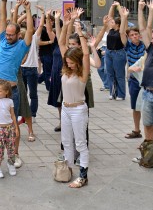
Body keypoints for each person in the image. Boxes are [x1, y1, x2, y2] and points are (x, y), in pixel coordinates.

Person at [0, 0, 34, 168]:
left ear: (17, 35)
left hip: (11, 92)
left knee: (12, 125)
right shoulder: (2, 39)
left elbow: (30, 29)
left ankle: (15, 155)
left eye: (10, 35)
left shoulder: (23, 45)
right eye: (6, 34)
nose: (7, 37)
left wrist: (28, 10)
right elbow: (3, 15)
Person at [59, 21, 90, 188]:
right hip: (65, 108)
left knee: (80, 143)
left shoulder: (83, 73)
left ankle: (83, 176)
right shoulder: (67, 69)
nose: (68, 64)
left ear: (77, 62)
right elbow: (61, 43)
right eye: (67, 61)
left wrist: (80, 32)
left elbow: (85, 55)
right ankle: (68, 169)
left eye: (71, 62)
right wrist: (67, 23)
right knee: (66, 141)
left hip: (78, 109)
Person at [0, 65, 19, 178]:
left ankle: (11, 164)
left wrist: (15, 128)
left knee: (11, 148)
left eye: (0, 91)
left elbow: (13, 115)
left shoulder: (10, 101)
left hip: (9, 128)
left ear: (6, 92)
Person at [123, 1, 146, 139]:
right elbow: (122, 32)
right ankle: (137, 130)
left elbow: (145, 28)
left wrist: (140, 9)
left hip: (146, 79)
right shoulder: (128, 46)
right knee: (135, 106)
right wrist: (124, 16)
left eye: (136, 34)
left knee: (148, 105)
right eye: (131, 35)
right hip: (133, 79)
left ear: (140, 35)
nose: (134, 37)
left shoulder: (146, 46)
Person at [137, 0, 153, 147]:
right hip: (148, 93)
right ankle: (149, 155)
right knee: (148, 125)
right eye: (152, 39)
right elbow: (143, 29)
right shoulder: (151, 50)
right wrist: (141, 9)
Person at [104, 1, 128, 100]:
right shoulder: (110, 30)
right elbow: (109, 17)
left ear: (118, 24)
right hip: (109, 52)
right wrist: (112, 6)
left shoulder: (122, 31)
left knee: (119, 75)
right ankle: (112, 92)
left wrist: (118, 7)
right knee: (109, 73)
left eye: (113, 22)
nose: (111, 22)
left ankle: (121, 94)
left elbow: (123, 19)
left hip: (119, 53)